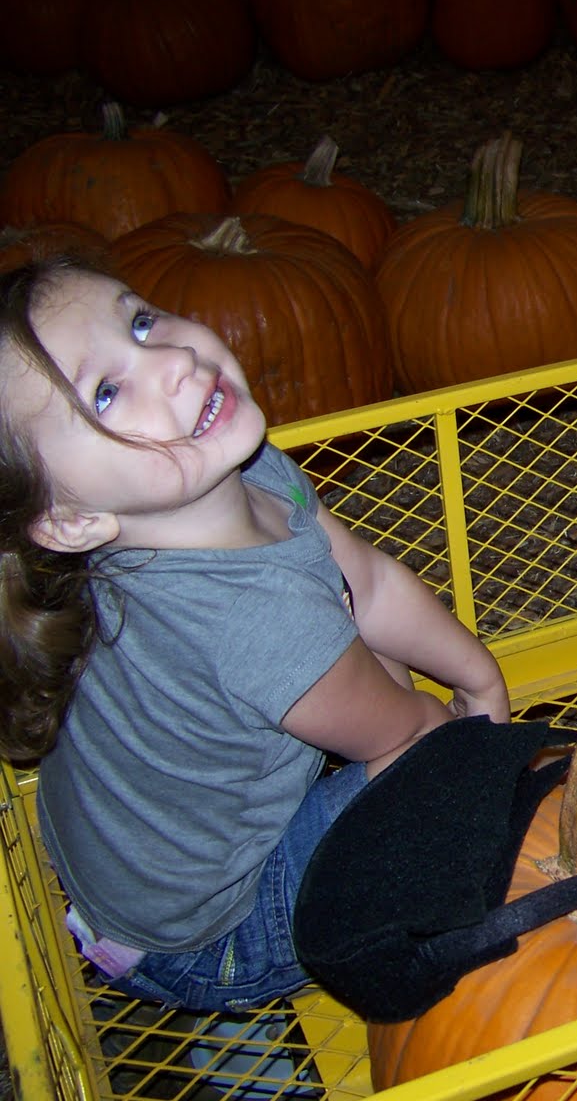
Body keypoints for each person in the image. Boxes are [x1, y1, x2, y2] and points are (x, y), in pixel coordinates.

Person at [0, 254, 511, 1013]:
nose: (173, 360)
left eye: (140, 322)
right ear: (73, 519)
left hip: (124, 858)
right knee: (450, 771)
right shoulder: (255, 622)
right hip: (209, 937)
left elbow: (366, 582)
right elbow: (413, 736)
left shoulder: (240, 473)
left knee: (371, 663)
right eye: (106, 391)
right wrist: (483, 747)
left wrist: (478, 675)